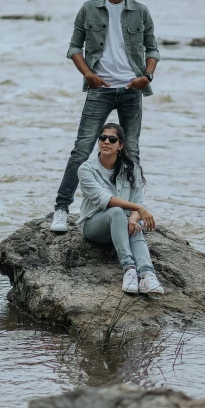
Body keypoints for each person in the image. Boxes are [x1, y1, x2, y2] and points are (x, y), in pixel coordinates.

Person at [50, 0, 160, 232]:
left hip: (131, 90)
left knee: (131, 151)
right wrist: (87, 74)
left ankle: (135, 209)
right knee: (82, 149)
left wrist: (146, 77)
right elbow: (74, 48)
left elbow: (153, 50)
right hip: (100, 90)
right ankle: (62, 209)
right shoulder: (89, 10)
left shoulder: (141, 11)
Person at [76, 122, 164, 295]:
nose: (106, 142)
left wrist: (133, 218)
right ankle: (129, 270)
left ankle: (147, 275)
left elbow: (140, 201)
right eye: (102, 138)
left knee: (134, 226)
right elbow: (105, 200)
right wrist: (137, 208)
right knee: (116, 211)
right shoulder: (86, 169)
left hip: (121, 225)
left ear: (120, 145)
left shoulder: (132, 170)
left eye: (112, 139)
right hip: (94, 227)